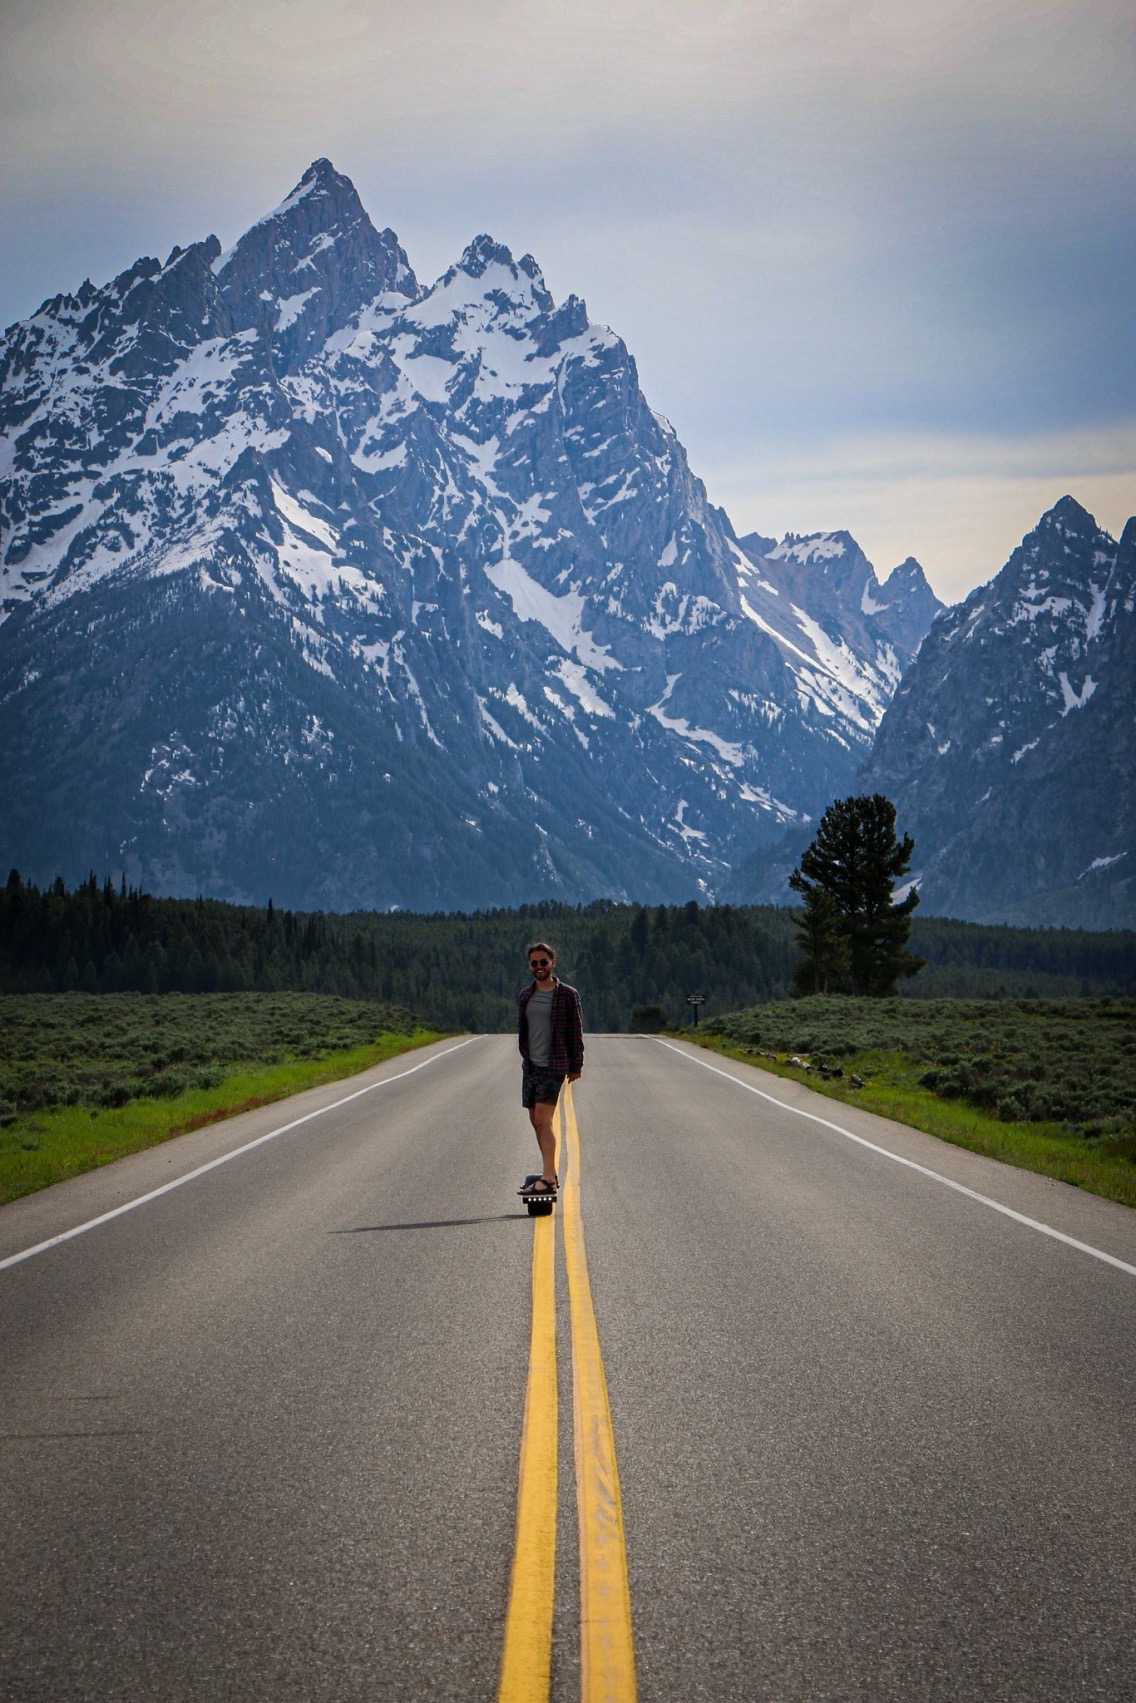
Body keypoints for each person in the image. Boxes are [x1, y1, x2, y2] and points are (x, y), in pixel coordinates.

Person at [517, 941, 584, 1196]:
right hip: (531, 1066)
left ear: (552, 962)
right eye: (534, 963)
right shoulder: (526, 995)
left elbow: (575, 1032)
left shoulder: (567, 994)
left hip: (553, 1065)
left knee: (544, 1121)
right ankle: (550, 1172)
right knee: (536, 1122)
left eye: (543, 962)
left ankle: (547, 1178)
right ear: (530, 966)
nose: (539, 967)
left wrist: (576, 1064)